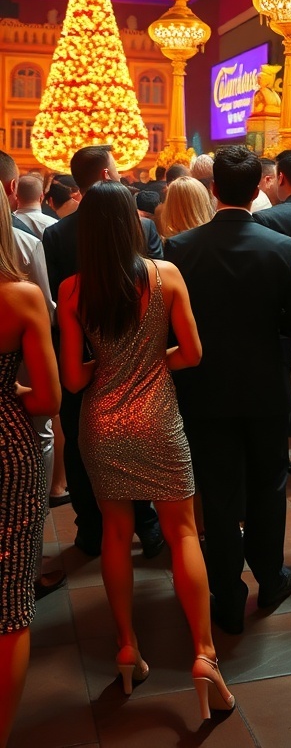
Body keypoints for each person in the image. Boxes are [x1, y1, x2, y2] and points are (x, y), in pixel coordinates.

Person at [57, 182, 234, 717]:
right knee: (181, 532)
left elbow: (71, 377)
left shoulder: (71, 290)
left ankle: (128, 647)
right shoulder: (166, 276)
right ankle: (203, 654)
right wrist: (154, 364)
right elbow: (195, 353)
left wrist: (109, 369)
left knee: (115, 532)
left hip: (102, 423)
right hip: (158, 417)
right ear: (134, 225)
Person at [165, 146, 291, 636]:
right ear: (257, 189)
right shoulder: (278, 248)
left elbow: (170, 328)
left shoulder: (181, 248)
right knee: (268, 484)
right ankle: (270, 578)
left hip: (202, 386)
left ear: (213, 190)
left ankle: (227, 594)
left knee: (218, 489)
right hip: (262, 386)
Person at [44, 144, 164, 559]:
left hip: (82, 354)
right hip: (137, 357)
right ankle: (147, 526)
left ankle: (90, 530)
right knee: (142, 440)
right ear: (109, 176)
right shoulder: (142, 229)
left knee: (81, 444)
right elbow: (157, 295)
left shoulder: (57, 233)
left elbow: (59, 306)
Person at [0, 184, 61, 747]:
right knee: (11, 599)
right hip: (8, 447)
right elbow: (49, 399)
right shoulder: (19, 299)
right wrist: (14, 391)